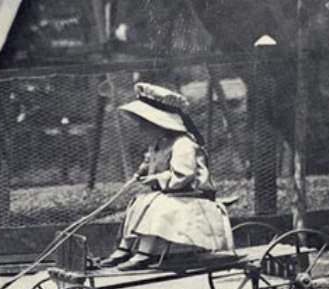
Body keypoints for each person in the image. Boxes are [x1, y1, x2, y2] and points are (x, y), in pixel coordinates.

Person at [99, 82, 234, 271]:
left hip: (193, 195)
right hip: (173, 194)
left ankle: (145, 253)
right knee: (139, 202)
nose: (141, 129)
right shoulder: (160, 143)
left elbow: (184, 175)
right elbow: (150, 162)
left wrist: (157, 179)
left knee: (158, 205)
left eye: (145, 124)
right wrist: (142, 172)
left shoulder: (183, 144)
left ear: (159, 124)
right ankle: (124, 249)